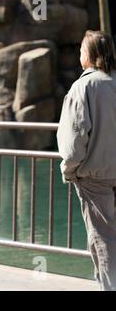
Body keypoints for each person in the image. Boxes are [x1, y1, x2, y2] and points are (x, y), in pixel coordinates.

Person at [57, 30, 116, 291]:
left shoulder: (83, 87)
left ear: (90, 55)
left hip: (95, 178)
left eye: (82, 50)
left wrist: (70, 170)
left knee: (103, 242)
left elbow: (75, 137)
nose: (79, 55)